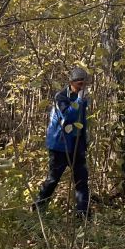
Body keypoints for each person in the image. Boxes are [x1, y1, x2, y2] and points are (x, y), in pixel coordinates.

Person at [33, 67, 91, 217]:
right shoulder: (60, 97)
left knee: (82, 179)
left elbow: (81, 120)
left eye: (84, 84)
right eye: (79, 84)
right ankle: (38, 208)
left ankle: (82, 213)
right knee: (53, 179)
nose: (82, 87)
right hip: (60, 145)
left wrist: (85, 140)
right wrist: (79, 100)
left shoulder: (83, 98)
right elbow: (68, 117)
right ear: (71, 83)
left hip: (77, 144)